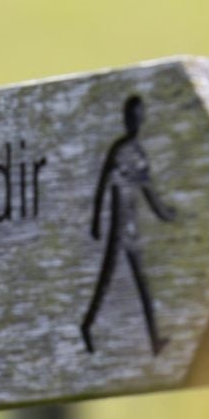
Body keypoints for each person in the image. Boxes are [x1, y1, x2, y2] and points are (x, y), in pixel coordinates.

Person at [81, 94, 172, 354]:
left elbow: (149, 190)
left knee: (142, 283)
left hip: (132, 229)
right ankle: (87, 326)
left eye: (139, 116)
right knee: (106, 281)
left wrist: (165, 214)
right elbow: (103, 186)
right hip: (118, 229)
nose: (136, 121)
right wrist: (96, 221)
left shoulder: (139, 152)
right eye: (133, 116)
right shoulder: (120, 150)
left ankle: (154, 340)